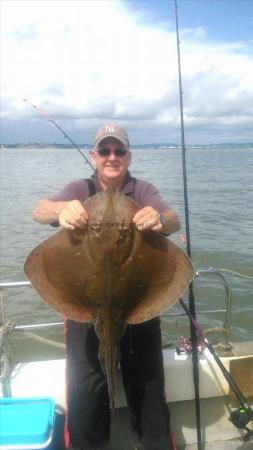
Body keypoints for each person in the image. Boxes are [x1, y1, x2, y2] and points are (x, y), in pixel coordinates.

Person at [32, 123, 180, 450]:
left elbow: (173, 219)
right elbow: (39, 211)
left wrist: (158, 218)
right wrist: (61, 210)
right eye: (104, 150)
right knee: (85, 402)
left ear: (128, 155)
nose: (112, 156)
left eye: (119, 150)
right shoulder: (79, 189)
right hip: (86, 312)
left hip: (138, 311)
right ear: (94, 156)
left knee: (150, 401)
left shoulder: (141, 190)